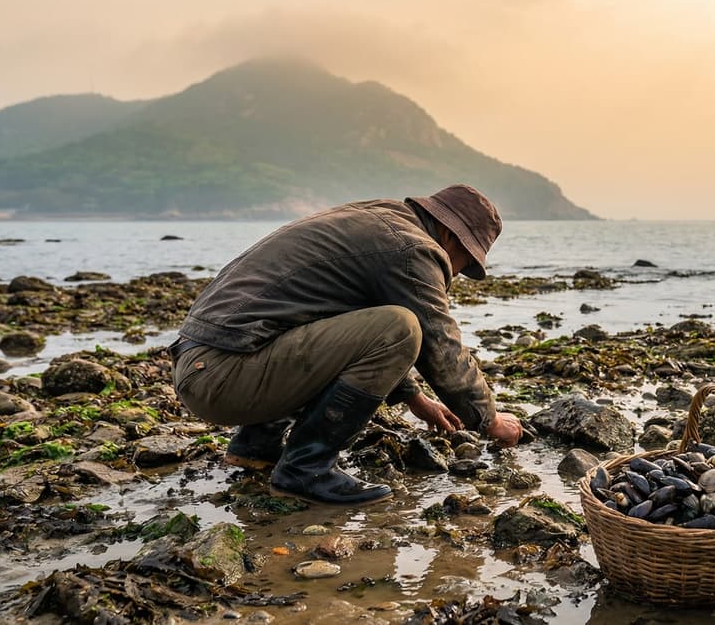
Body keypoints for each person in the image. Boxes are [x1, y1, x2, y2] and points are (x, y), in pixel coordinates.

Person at [169, 185, 524, 506]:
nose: (457, 273)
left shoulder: (377, 219)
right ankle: (306, 470)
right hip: (223, 379)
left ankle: (256, 446)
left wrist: (414, 398)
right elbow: (440, 346)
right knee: (402, 327)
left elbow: (346, 331)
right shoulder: (412, 248)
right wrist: (489, 420)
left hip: (204, 365)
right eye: (464, 262)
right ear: (450, 234)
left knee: (361, 322)